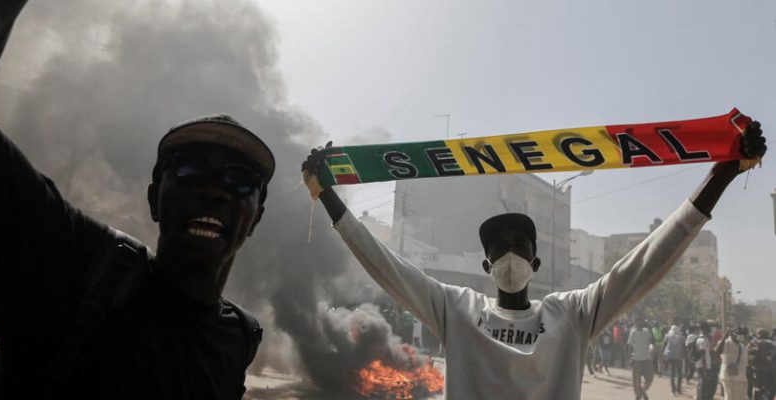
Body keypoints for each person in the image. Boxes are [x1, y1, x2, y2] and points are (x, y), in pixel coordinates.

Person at [0, 1, 273, 397]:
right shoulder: (75, 269)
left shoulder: (239, 338)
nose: (213, 189)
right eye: (188, 170)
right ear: (153, 200)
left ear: (255, 218)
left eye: (239, 180)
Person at [303, 122, 765, 398]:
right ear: (485, 266)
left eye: (519, 244)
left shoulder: (573, 313)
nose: (508, 252)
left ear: (536, 262)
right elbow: (385, 265)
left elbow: (649, 259)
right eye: (497, 246)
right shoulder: (455, 308)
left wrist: (721, 175)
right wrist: (328, 198)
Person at [718, 327, 751, 400]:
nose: (742, 336)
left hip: (741, 376)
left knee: (742, 397)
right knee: (730, 397)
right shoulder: (726, 343)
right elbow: (718, 351)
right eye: (740, 334)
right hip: (729, 376)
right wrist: (725, 336)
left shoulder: (741, 345)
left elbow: (745, 363)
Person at [629, 319, 656, 400]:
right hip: (636, 359)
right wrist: (630, 357)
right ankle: (638, 396)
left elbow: (652, 341)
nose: (639, 324)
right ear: (635, 324)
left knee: (650, 378)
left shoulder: (647, 331)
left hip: (647, 358)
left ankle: (643, 391)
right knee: (636, 381)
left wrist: (652, 347)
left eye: (641, 322)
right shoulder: (633, 332)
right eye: (637, 323)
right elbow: (629, 345)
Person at [748, 329, 776, 400]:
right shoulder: (773, 343)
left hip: (758, 371)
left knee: (758, 390)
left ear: (759, 335)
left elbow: (750, 356)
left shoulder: (754, 343)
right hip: (772, 371)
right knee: (770, 390)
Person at [697, 322, 721, 400]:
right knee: (708, 384)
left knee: (704, 384)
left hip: (704, 364)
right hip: (706, 365)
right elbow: (705, 352)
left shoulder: (701, 337)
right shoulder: (706, 338)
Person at [664, 325, 687, 395]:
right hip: (679, 356)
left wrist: (663, 354)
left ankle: (673, 390)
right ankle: (678, 389)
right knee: (679, 374)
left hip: (670, 356)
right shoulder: (682, 338)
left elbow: (664, 345)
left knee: (672, 374)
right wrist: (685, 355)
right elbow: (684, 347)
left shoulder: (667, 336)